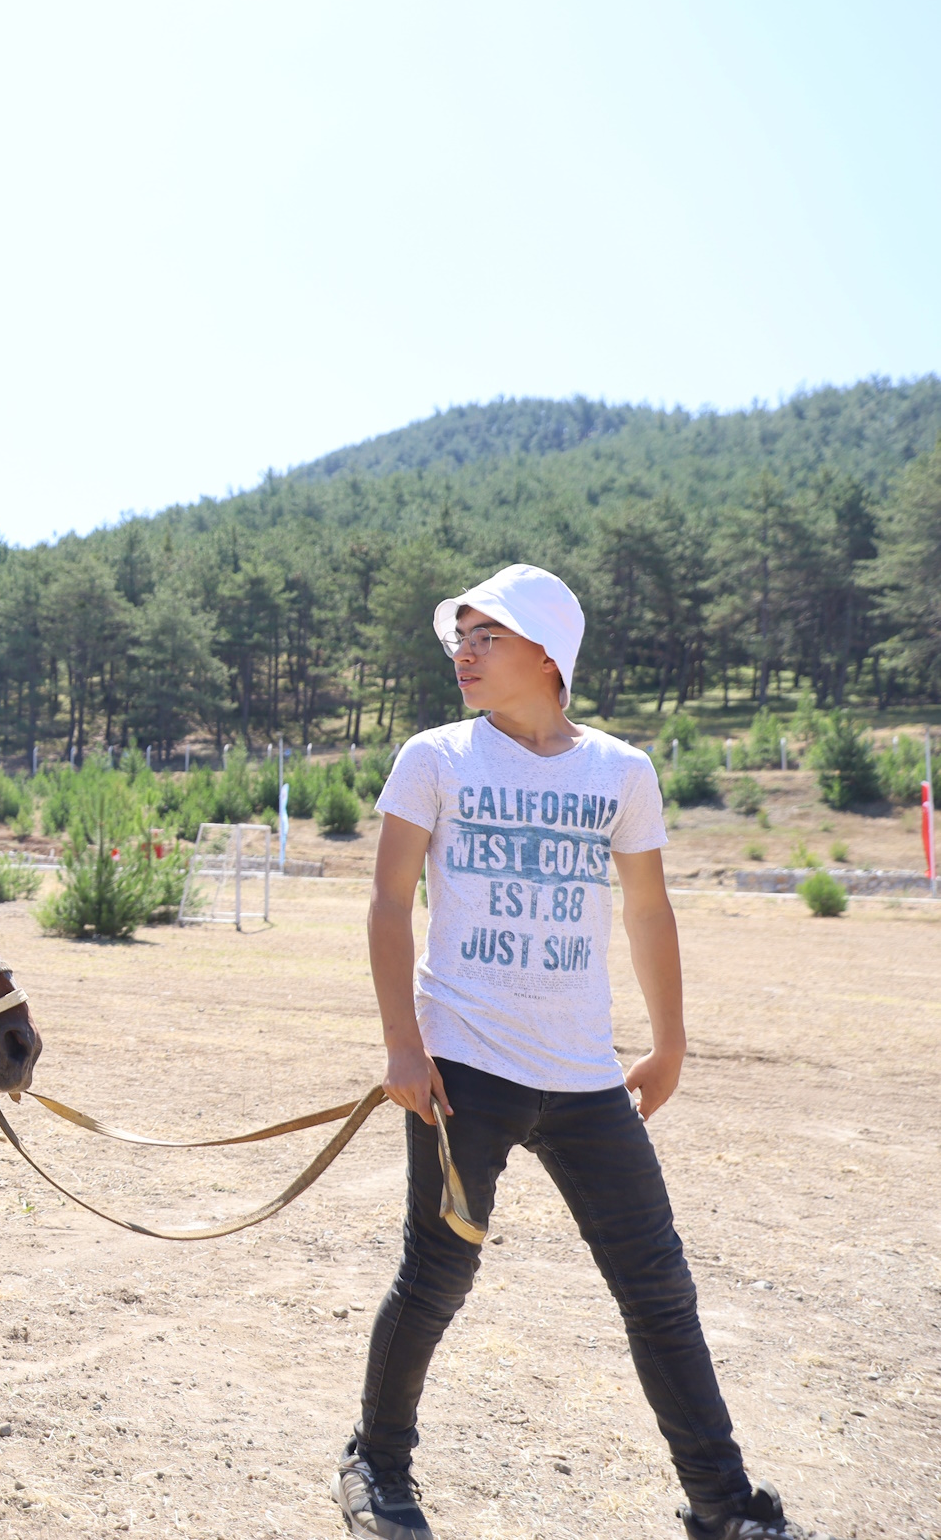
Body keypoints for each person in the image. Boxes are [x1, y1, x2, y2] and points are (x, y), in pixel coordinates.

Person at [336, 565, 820, 1540]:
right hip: (460, 1066)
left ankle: (723, 1505)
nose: (463, 652)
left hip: (584, 1075)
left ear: (547, 654)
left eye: (487, 635)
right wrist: (401, 1040)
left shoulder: (618, 771)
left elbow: (646, 907)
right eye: (459, 636)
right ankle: (375, 1466)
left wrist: (670, 1040)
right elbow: (390, 900)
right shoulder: (433, 756)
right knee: (437, 1272)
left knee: (656, 1284)